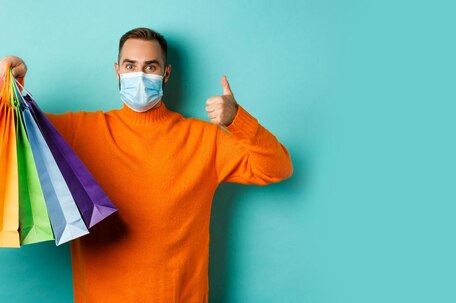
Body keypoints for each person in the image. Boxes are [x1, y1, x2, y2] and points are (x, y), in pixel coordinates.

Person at [0, 27, 293, 302]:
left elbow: (278, 167)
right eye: (130, 66)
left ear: (166, 74)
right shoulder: (79, 131)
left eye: (150, 67)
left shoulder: (205, 140)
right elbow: (12, 138)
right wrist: (11, 87)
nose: (139, 75)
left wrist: (236, 119)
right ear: (117, 71)